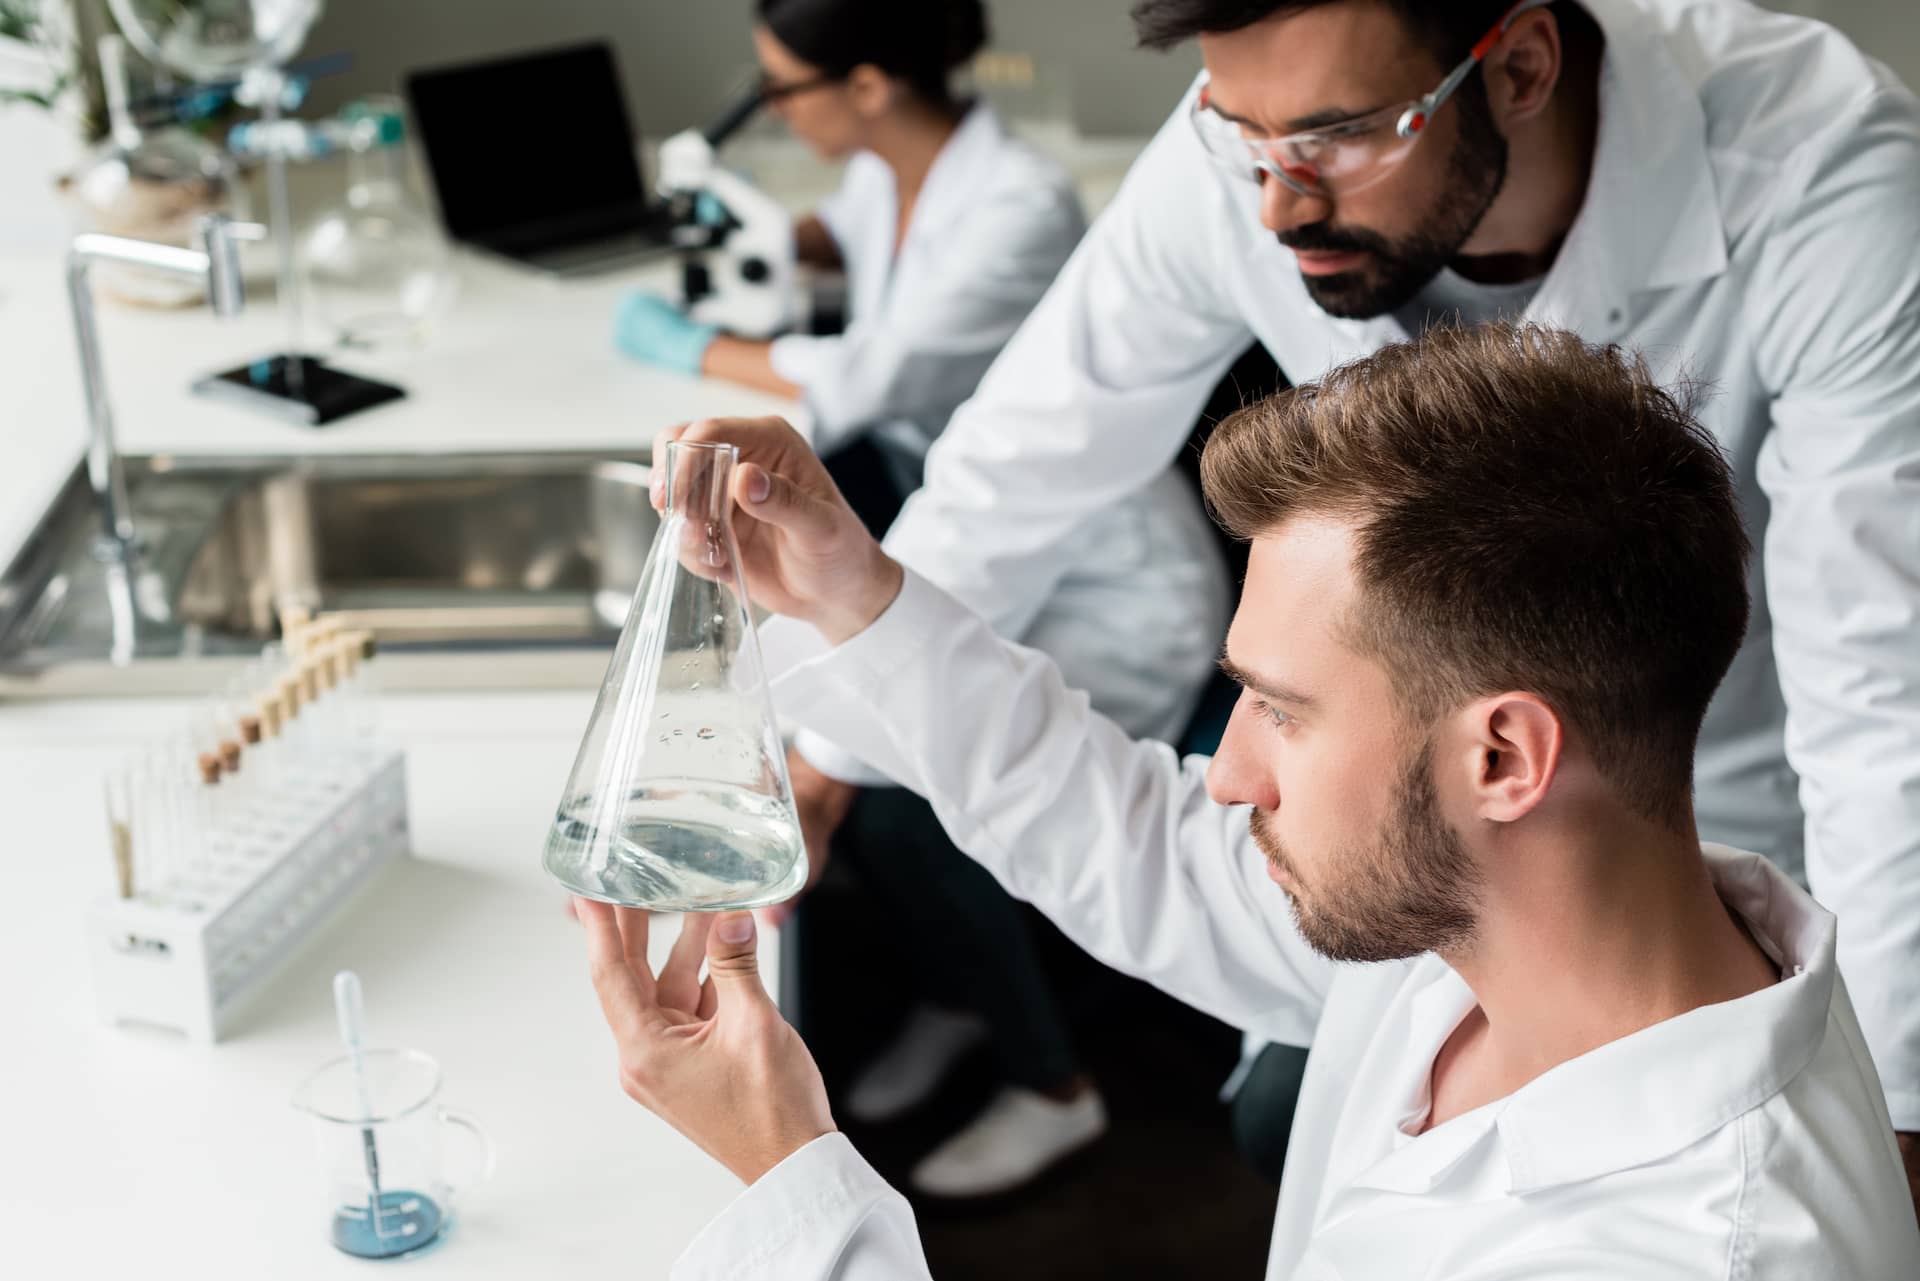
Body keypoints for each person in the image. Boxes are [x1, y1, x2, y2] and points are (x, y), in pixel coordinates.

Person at [752, 0, 1920, 1202]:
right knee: (1305, 1118)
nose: (1277, 206)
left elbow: (1884, 694)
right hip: (1406, 805)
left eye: (1342, 136)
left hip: (1715, 804)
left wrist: (1888, 1119)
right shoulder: (1259, 144)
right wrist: (833, 743)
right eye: (1243, 136)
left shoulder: (1817, 168)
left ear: (1517, 66)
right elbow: (1021, 463)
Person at [577, 326, 1920, 1278]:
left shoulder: (1684, 1249)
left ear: (1505, 757)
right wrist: (842, 583)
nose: (1227, 769)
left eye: (1282, 707)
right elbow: (1133, 837)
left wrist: (798, 1186)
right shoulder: (1517, 916)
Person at [615, 0, 1230, 1195]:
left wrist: (681, 345)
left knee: (898, 791)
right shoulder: (895, 180)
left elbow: (870, 384)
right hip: (984, 538)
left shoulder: (1018, 205)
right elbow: (854, 268)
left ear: (870, 86)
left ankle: (1052, 1083)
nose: (775, 111)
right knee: (857, 740)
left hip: (1111, 587)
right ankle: (961, 988)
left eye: (786, 90)